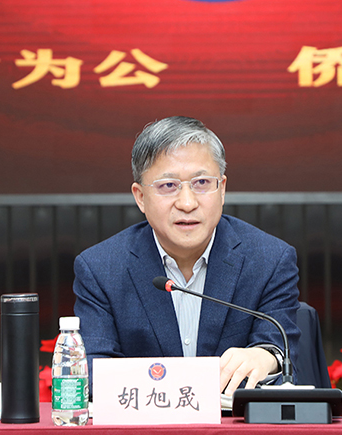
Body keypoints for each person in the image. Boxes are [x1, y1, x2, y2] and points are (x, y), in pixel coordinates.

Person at [74, 116, 300, 395]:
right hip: (146, 419)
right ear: (140, 197)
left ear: (222, 189)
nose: (187, 203)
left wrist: (265, 357)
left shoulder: (269, 260)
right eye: (168, 186)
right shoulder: (101, 268)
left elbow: (278, 349)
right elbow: (94, 369)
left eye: (202, 182)